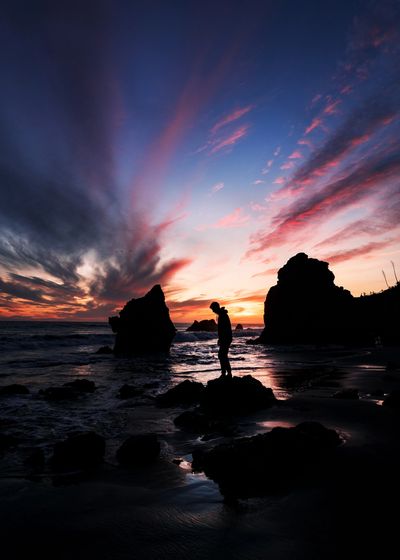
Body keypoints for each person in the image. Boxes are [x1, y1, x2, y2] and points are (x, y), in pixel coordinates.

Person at [210, 301, 232, 378]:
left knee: (222, 355)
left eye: (213, 309)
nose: (213, 311)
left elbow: (224, 329)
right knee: (222, 355)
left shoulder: (223, 315)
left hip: (226, 338)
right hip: (225, 338)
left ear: (216, 307)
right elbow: (222, 329)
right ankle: (226, 373)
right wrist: (220, 339)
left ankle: (226, 373)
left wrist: (222, 339)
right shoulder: (221, 314)